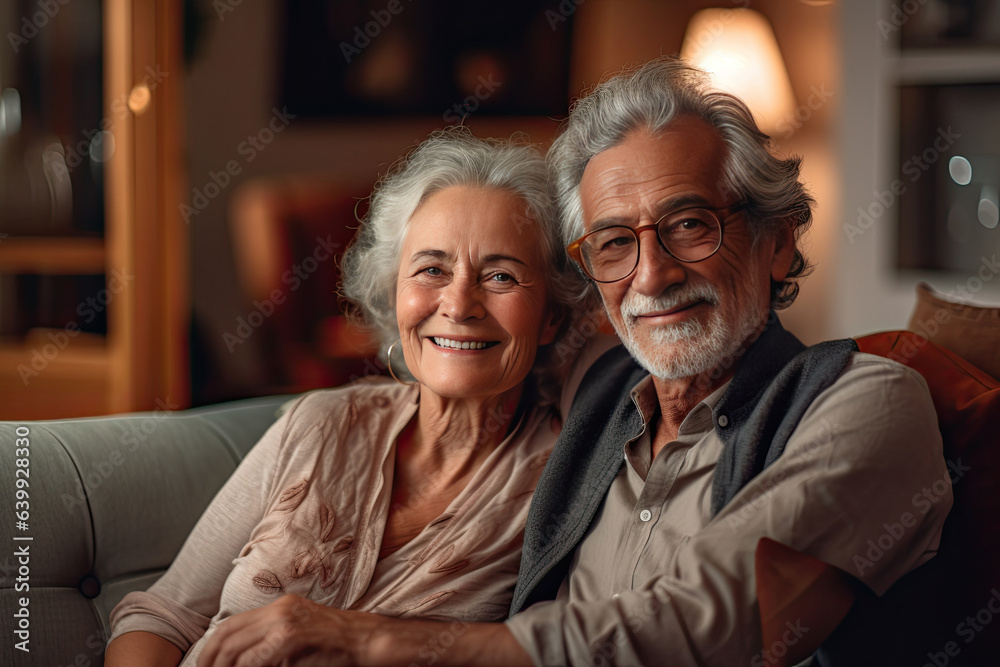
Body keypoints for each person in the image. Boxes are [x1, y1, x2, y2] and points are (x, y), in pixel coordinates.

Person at [189, 58, 953, 667]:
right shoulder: (599, 387)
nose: (651, 275)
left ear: (777, 238)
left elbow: (704, 621)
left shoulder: (867, 405)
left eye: (689, 225)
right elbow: (483, 327)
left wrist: (375, 638)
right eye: (616, 241)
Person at [104, 128, 596, 666]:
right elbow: (163, 615)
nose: (458, 303)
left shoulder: (569, 485)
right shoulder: (321, 420)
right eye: (432, 269)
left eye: (500, 276)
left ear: (552, 314)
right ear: (394, 290)